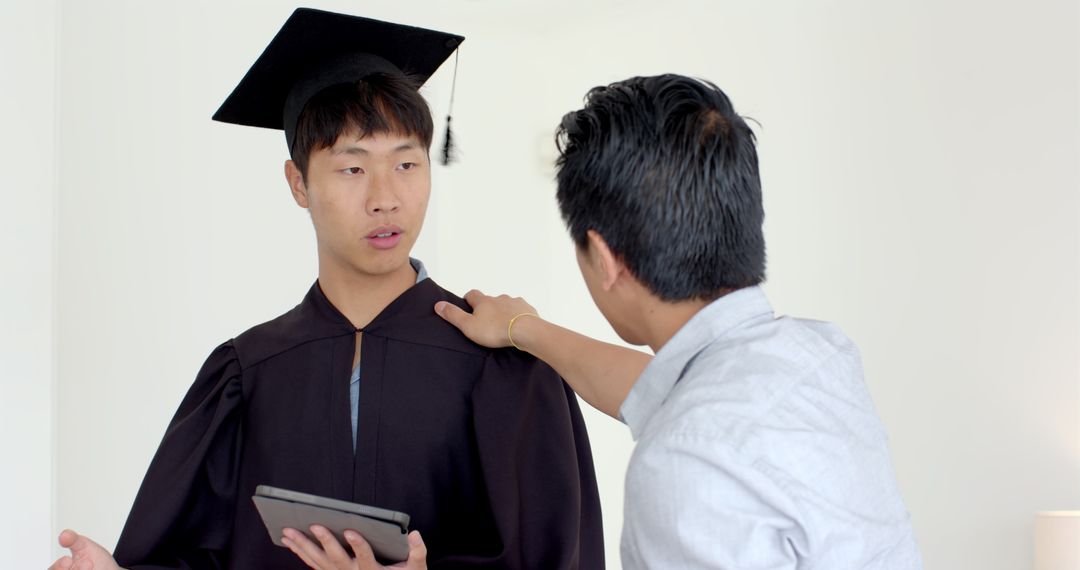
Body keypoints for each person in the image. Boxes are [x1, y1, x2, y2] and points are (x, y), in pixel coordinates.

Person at [48, 9, 603, 570]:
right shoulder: (249, 371)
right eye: (352, 169)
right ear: (298, 184)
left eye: (407, 163)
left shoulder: (505, 366)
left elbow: (556, 556)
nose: (386, 197)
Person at [436, 74, 924, 568]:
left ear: (605, 259)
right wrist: (525, 328)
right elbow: (660, 391)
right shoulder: (818, 353)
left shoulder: (683, 466)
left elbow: (691, 423)